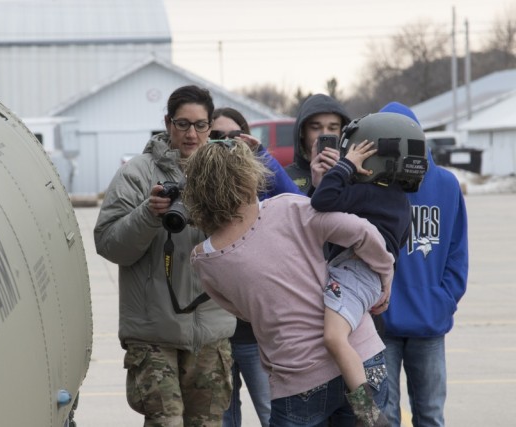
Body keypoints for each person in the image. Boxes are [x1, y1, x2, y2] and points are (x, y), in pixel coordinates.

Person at [184, 141, 395, 426]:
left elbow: (242, 311)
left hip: (297, 380)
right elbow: (362, 231)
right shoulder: (287, 208)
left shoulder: (204, 259)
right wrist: (385, 273)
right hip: (361, 355)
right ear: (249, 176)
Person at [93, 85, 236, 427]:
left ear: (210, 126)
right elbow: (109, 244)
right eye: (182, 123)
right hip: (152, 331)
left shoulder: (225, 172)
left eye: (200, 125)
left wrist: (217, 214)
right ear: (167, 123)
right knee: (166, 423)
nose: (191, 134)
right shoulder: (138, 174)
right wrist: (148, 214)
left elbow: (251, 240)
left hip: (210, 330)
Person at [310, 111, 431, 426]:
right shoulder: (399, 202)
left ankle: (367, 412)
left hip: (353, 274)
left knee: (334, 338)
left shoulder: (366, 194)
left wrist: (345, 166)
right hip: (370, 278)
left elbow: (321, 200)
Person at [378, 102, 469, 427]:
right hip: (381, 324)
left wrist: (443, 300)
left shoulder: (445, 184)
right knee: (384, 418)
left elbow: (458, 251)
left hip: (429, 323)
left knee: (430, 415)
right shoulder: (372, 184)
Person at [210, 107, 301, 427]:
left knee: (272, 413)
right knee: (224, 418)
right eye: (216, 137)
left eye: (234, 137)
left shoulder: (260, 184)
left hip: (256, 332)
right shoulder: (201, 186)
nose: (225, 144)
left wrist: (261, 155)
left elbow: (296, 202)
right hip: (214, 332)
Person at [285, 94, 351, 195]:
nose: (324, 134)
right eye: (315, 127)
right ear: (302, 131)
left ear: (342, 132)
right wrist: (315, 187)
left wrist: (341, 174)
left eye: (332, 128)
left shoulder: (352, 175)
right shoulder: (285, 178)